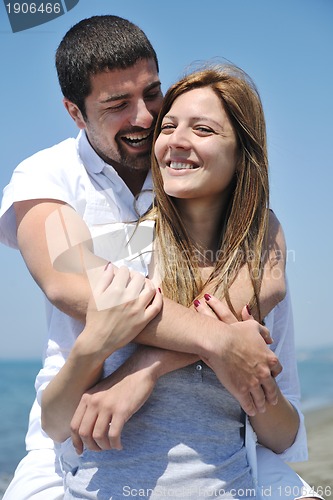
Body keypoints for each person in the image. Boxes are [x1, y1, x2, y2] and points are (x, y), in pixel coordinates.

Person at [0, 15, 282, 499]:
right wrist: (219, 340)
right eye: (117, 104)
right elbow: (74, 287)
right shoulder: (48, 174)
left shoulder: (183, 161)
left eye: (152, 93)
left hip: (214, 442)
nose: (146, 118)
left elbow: (247, 289)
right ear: (75, 112)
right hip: (72, 435)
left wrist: (143, 369)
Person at [40, 64, 322, 499]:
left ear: (242, 152)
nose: (176, 140)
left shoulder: (256, 273)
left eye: (203, 129)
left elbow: (282, 436)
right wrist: (94, 352)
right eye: (168, 126)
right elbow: (56, 424)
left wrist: (241, 383)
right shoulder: (115, 256)